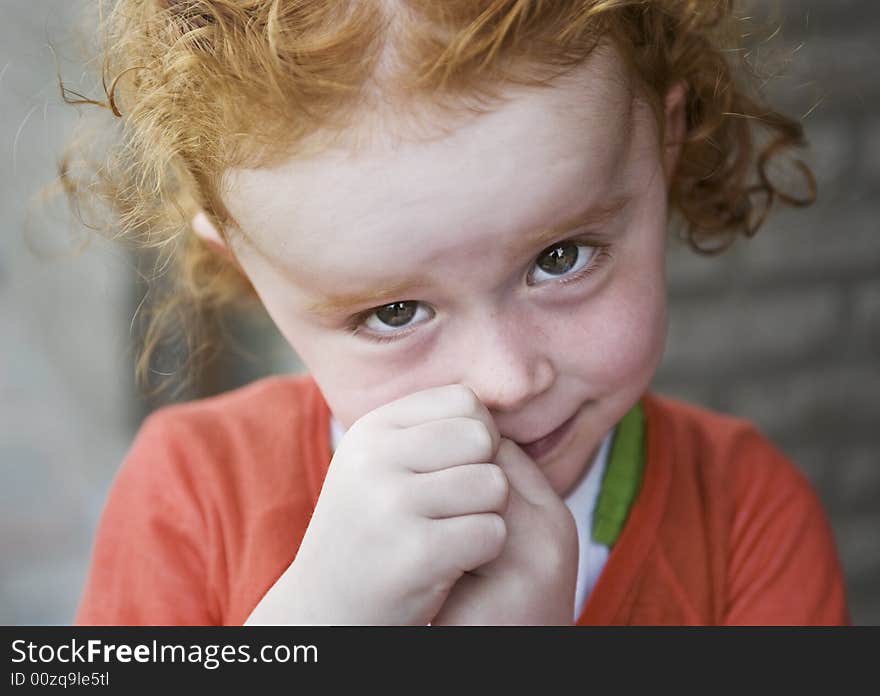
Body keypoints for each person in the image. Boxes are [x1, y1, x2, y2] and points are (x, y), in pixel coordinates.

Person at [68, 0, 848, 625]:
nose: (506, 380)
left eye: (560, 258)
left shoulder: (747, 520)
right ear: (247, 266)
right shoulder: (192, 496)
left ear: (662, 145)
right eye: (397, 311)